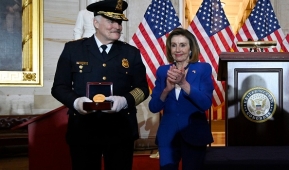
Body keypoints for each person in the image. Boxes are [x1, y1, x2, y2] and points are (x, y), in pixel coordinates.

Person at [51, 0, 149, 169]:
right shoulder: (73, 50)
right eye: (111, 21)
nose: (117, 26)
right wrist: (76, 102)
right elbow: (59, 87)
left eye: (119, 22)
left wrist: (124, 101)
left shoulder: (131, 53)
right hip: (84, 130)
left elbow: (142, 89)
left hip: (120, 130)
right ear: (95, 22)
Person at [148, 28, 214, 170]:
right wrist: (167, 90)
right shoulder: (162, 71)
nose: (178, 49)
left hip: (195, 134)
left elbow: (205, 103)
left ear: (191, 48)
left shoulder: (203, 68)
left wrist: (184, 84)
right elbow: (153, 107)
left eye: (183, 45)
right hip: (168, 136)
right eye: (174, 45)